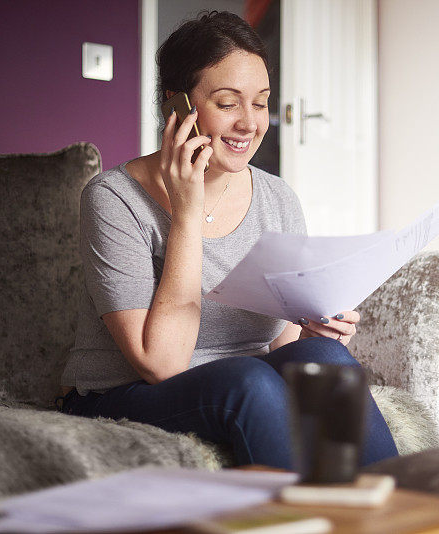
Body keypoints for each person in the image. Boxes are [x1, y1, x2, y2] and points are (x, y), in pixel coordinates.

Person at [55, 10, 398, 470]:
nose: (249, 123)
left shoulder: (278, 199)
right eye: (227, 102)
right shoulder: (114, 198)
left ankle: (400, 513)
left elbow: (280, 345)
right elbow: (161, 364)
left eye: (260, 103)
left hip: (243, 379)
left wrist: (309, 330)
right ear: (175, 107)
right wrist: (187, 211)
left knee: (325, 358)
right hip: (121, 394)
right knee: (248, 380)